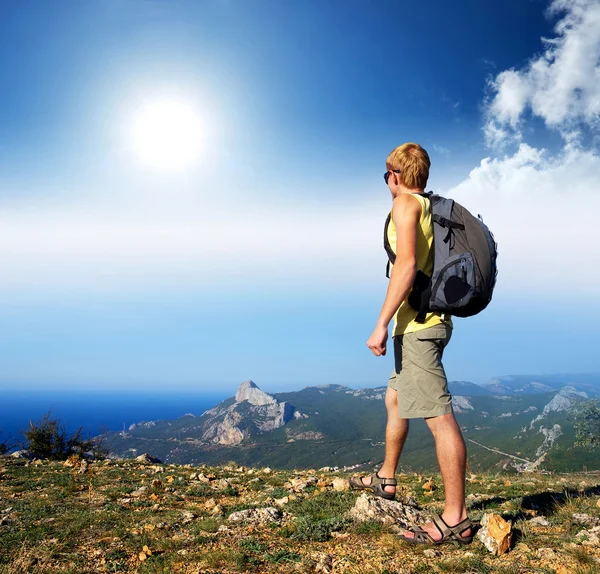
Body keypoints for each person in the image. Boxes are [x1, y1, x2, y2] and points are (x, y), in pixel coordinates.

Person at [349, 143, 473, 546]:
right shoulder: (431, 208)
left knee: (439, 417)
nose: (387, 182)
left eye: (386, 176)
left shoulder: (405, 205)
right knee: (396, 398)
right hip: (423, 323)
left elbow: (404, 265)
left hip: (418, 327)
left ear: (395, 176)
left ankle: (456, 518)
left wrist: (380, 324)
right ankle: (386, 478)